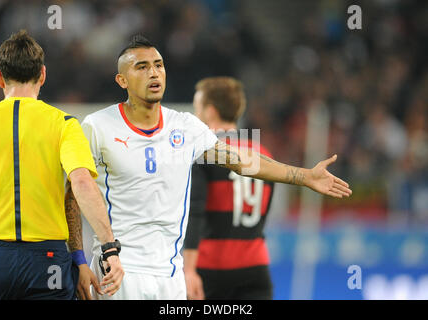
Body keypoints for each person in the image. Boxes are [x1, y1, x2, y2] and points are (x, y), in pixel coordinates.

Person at [69, 34, 352, 300]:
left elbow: (242, 161)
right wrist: (79, 259)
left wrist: (304, 176)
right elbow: (72, 191)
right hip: (118, 270)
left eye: (158, 65)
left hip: (171, 276)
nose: (153, 73)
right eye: (141, 67)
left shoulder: (186, 126)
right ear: (122, 80)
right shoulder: (97, 126)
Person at [0, 30, 124, 300]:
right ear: (43, 75)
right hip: (47, 261)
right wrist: (108, 248)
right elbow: (81, 183)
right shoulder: (64, 124)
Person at [183, 76, 276, 300]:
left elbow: (195, 213)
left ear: (211, 111)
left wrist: (188, 270)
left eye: (198, 109)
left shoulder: (206, 153)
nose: (196, 116)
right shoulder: (262, 153)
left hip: (212, 269)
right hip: (256, 267)